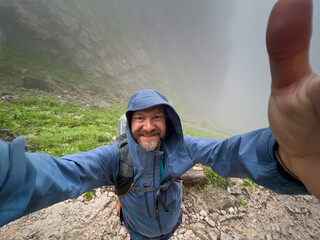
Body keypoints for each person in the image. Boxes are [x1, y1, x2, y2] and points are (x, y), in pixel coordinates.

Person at [0, 0, 319, 239]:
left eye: (157, 117)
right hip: (138, 233)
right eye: (140, 118)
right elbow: (61, 173)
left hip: (171, 228)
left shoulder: (181, 147)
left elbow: (226, 153)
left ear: (169, 123)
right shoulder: (116, 158)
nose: (149, 125)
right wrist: (7, 177)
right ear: (129, 122)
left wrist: (281, 158)